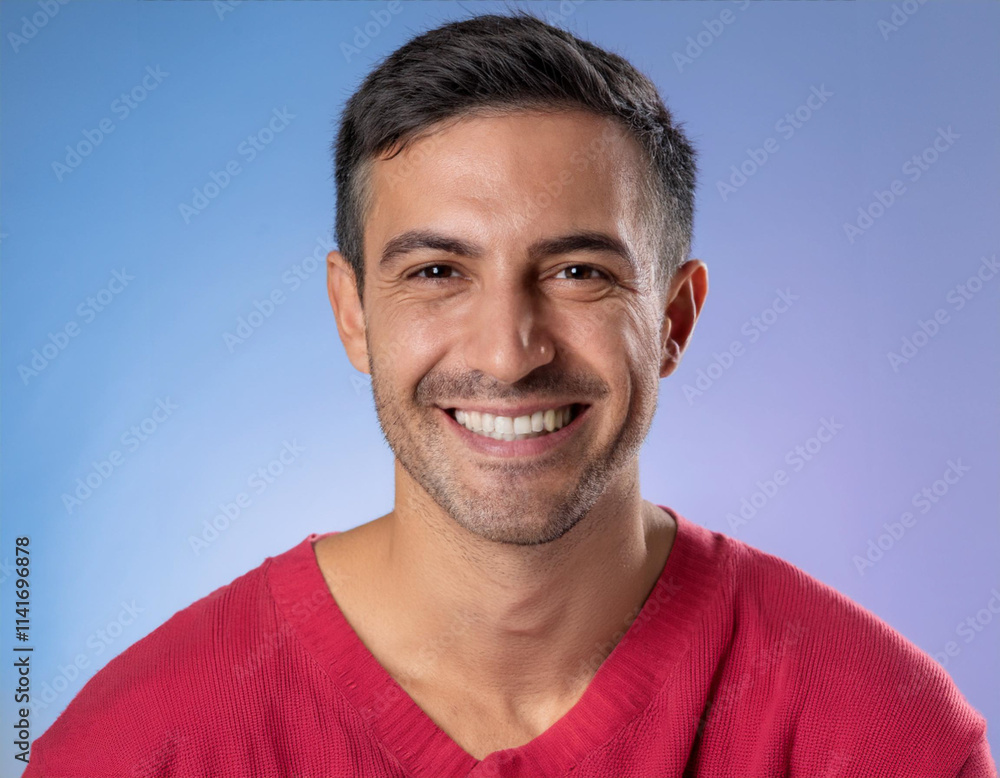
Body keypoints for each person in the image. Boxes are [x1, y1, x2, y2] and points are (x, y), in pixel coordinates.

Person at [23, 11, 996, 778]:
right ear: (352, 311)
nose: (509, 350)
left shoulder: (880, 735)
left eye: (577, 271)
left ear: (674, 320)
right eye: (438, 272)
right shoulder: (139, 747)